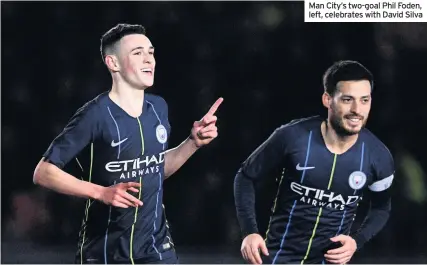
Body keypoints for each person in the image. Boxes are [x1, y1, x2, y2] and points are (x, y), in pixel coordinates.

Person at [33, 23, 223, 264]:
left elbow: (154, 170)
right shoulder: (94, 115)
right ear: (113, 63)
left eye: (151, 52)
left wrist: (193, 143)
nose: (149, 60)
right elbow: (43, 172)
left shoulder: (158, 108)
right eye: (137, 53)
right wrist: (100, 192)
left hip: (156, 248)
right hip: (105, 252)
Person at [234, 60, 394, 264]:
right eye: (347, 99)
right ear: (328, 99)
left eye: (364, 100)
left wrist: (357, 240)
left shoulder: (378, 156)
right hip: (276, 258)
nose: (357, 109)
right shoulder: (292, 137)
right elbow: (245, 177)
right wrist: (250, 232)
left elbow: (381, 208)